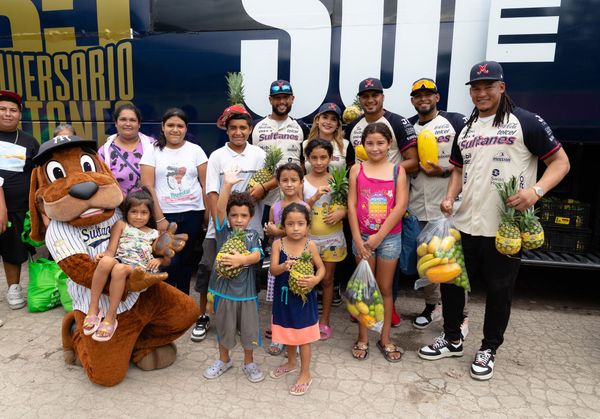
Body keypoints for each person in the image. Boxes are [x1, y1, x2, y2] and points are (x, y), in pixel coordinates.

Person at [418, 61, 570, 380]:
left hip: (505, 229)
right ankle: (452, 338)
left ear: (502, 88)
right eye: (476, 87)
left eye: (489, 86)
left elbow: (560, 162)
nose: (482, 92)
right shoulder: (468, 128)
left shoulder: (525, 122)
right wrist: (449, 196)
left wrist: (536, 191)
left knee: (499, 291)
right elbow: (458, 169)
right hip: (464, 223)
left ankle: (489, 347)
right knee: (452, 283)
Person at [346, 78, 418, 326]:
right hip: (364, 224)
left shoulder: (397, 122)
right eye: (365, 96)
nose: (370, 100)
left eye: (374, 95)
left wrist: (388, 171)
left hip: (389, 220)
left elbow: (413, 160)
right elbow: (351, 169)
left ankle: (386, 321)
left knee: (387, 282)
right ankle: (366, 323)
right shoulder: (354, 126)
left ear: (382, 97)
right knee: (367, 282)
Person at [191, 106, 266, 343]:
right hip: (220, 231)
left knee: (246, 276)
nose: (238, 132)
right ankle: (203, 315)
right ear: (226, 129)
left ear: (250, 129)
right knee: (208, 272)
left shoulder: (259, 155)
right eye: (233, 128)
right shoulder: (217, 156)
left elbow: (265, 189)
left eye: (243, 128)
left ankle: (242, 320)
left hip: (250, 229)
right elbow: (212, 193)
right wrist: (221, 227)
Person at [407, 78, 469, 333]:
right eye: (418, 95)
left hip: (448, 206)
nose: (423, 99)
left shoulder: (454, 122)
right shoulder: (410, 128)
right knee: (428, 262)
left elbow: (467, 162)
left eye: (428, 94)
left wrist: (442, 171)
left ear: (437, 97)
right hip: (418, 205)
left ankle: (460, 315)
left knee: (452, 262)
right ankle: (433, 306)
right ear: (412, 100)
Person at [348, 122, 408, 362]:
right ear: (363, 145)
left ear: (389, 144)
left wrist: (379, 236)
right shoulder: (356, 170)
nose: (375, 148)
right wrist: (357, 238)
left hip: (389, 238)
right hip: (361, 238)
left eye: (380, 143)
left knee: (384, 288)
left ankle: (385, 338)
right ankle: (362, 337)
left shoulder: (397, 171)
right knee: (365, 288)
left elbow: (400, 206)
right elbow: (351, 205)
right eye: (370, 143)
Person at [202, 168, 264, 382]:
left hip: (247, 295)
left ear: (251, 217)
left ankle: (249, 362)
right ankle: (224, 360)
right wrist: (226, 184)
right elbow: (218, 209)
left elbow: (257, 256)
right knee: (224, 329)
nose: (238, 220)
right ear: (228, 217)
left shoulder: (252, 235)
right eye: (234, 215)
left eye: (244, 215)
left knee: (249, 331)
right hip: (224, 293)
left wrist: (241, 260)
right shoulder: (223, 233)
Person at [140, 108, 208, 294]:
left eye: (180, 126)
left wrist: (206, 215)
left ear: (186, 128)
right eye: (170, 125)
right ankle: (167, 301)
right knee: (168, 260)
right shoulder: (152, 151)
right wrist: (159, 218)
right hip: (166, 215)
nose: (175, 129)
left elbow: (205, 184)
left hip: (193, 213)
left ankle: (184, 299)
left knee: (186, 260)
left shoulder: (196, 151)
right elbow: (147, 186)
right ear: (163, 127)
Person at [83, 188, 165, 342]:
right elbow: (111, 250)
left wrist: (159, 260)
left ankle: (110, 316)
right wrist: (103, 255)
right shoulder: (121, 225)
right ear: (126, 212)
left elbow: (165, 258)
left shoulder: (155, 233)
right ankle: (93, 307)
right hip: (120, 261)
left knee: (120, 269)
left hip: (139, 271)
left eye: (143, 213)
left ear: (150, 214)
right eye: (134, 212)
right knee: (107, 261)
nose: (139, 217)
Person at [269, 203, 325, 396]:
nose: (295, 228)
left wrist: (315, 280)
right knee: (288, 332)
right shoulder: (278, 244)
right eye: (290, 223)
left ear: (307, 225)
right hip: (284, 298)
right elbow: (272, 270)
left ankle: (305, 373)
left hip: (303, 298)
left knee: (304, 337)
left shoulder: (310, 245)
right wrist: (284, 266)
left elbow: (321, 268)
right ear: (283, 225)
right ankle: (291, 362)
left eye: (300, 223)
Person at [303, 140, 347, 340]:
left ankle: (325, 320)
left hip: (332, 239)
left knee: (328, 280)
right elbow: (295, 208)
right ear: (308, 158)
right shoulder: (302, 181)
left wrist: (342, 212)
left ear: (330, 158)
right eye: (314, 158)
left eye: (323, 157)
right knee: (306, 279)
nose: (319, 162)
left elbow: (349, 205)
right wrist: (312, 199)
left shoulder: (337, 181)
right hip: (308, 240)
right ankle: (306, 318)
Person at [263, 163, 309, 355]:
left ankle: (297, 338)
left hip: (299, 259)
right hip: (279, 258)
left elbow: (304, 233)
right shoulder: (275, 207)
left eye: (294, 180)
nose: (289, 184)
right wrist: (271, 231)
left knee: (297, 298)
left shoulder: (305, 207)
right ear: (279, 183)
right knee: (279, 301)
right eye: (284, 180)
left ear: (301, 182)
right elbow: (272, 234)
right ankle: (279, 335)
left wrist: (278, 230)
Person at [0, 90, 40, 310]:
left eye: (13, 110)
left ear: (19, 115)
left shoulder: (28, 141)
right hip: (0, 207)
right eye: (3, 109)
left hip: (19, 208)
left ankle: (13, 287)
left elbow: (37, 174)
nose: (8, 114)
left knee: (12, 250)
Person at [251, 80, 309, 217]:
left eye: (286, 97)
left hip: (292, 197)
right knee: (263, 236)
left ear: (292, 99)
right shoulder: (255, 126)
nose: (282, 101)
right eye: (277, 98)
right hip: (262, 198)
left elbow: (304, 163)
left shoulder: (301, 127)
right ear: (270, 100)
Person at [99, 103, 155, 196]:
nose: (128, 124)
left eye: (132, 120)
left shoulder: (152, 145)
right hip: (118, 207)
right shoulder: (104, 152)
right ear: (116, 123)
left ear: (139, 124)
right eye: (123, 119)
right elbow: (101, 184)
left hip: (148, 207)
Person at [302, 102, 355, 172]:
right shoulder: (305, 144)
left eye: (333, 119)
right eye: (325, 117)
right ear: (317, 120)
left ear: (337, 125)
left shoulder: (345, 145)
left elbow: (351, 172)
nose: (328, 122)